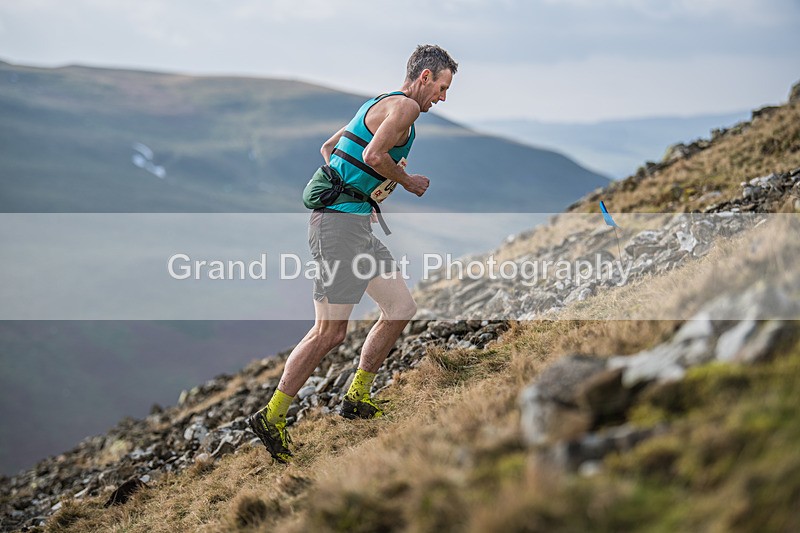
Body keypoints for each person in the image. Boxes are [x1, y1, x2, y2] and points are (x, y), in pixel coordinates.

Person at [248, 44, 458, 463]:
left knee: (399, 307)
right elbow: (372, 155)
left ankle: (357, 397)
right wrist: (408, 181)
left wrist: (354, 191)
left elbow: (330, 148)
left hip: (354, 225)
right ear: (424, 77)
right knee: (329, 332)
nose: (443, 97)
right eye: (442, 86)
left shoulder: (377, 103)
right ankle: (271, 417)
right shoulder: (405, 109)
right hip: (338, 230)